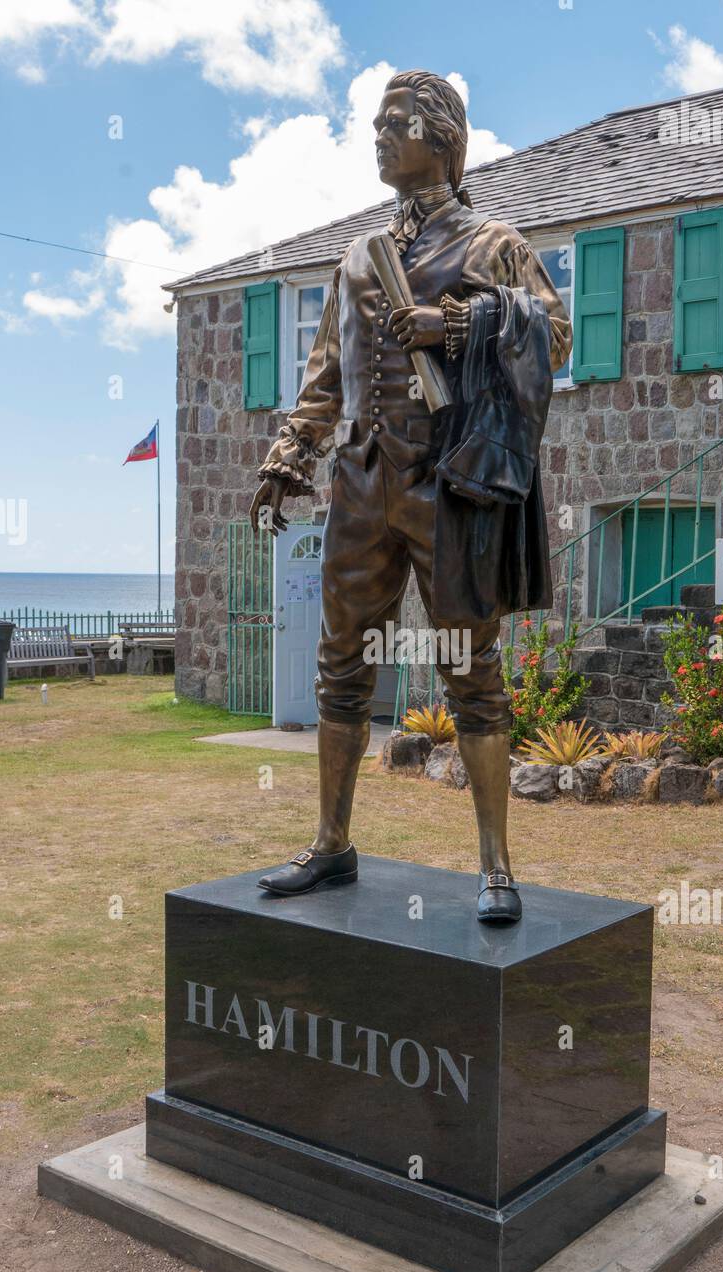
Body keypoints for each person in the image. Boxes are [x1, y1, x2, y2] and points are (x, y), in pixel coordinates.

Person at [250, 70, 571, 924]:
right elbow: (326, 373)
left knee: (472, 672)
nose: (381, 137)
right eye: (378, 124)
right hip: (361, 482)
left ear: (443, 139)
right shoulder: (357, 256)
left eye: (398, 124)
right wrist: (290, 453)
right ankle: (330, 844)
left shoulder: (492, 242)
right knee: (339, 666)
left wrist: (461, 325)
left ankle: (496, 866)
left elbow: (554, 330)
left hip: (450, 480)